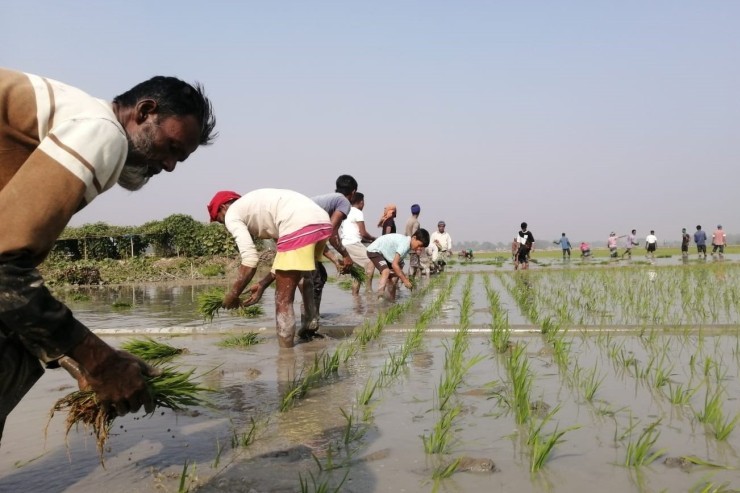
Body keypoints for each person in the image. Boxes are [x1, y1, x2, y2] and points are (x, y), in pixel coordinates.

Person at [0, 68, 217, 443]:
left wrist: (78, 358)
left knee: (18, 348)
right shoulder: (102, 132)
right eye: (172, 148)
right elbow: (5, 263)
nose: (168, 166)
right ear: (145, 112)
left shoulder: (72, 117)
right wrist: (100, 361)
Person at [207, 188, 332, 347]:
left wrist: (233, 295)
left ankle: (285, 356)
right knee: (303, 276)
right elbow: (282, 259)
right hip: (321, 221)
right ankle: (310, 324)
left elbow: (250, 260)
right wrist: (262, 284)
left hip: (299, 223)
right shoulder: (256, 207)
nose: (224, 225)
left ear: (223, 207)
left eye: (219, 220)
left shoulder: (232, 214)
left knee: (282, 299)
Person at [307, 175, 357, 334]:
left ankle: (311, 319)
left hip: (299, 234)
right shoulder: (343, 201)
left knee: (318, 276)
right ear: (353, 192)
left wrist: (335, 260)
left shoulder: (325, 200)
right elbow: (331, 232)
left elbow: (320, 238)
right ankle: (309, 323)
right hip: (301, 235)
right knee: (315, 279)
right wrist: (345, 255)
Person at [366, 229, 430, 300]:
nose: (419, 248)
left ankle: (391, 300)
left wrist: (404, 277)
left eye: (422, 247)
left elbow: (397, 264)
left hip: (386, 254)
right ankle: (380, 297)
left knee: (394, 277)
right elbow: (394, 265)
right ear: (414, 238)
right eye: (419, 245)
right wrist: (405, 281)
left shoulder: (408, 245)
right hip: (375, 250)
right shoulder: (405, 244)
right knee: (386, 271)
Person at [339, 192, 377, 294]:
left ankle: (355, 297)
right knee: (371, 262)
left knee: (358, 271)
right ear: (361, 202)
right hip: (352, 244)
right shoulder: (358, 212)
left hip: (345, 244)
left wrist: (368, 240)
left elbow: (357, 234)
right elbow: (363, 233)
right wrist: (373, 238)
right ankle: (368, 290)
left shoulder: (346, 211)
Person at [404, 204, 422, 277]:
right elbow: (415, 234)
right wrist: (417, 247)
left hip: (408, 244)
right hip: (414, 246)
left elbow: (405, 233)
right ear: (419, 212)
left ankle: (409, 281)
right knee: (414, 265)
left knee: (412, 263)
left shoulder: (408, 220)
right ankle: (411, 282)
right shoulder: (416, 222)